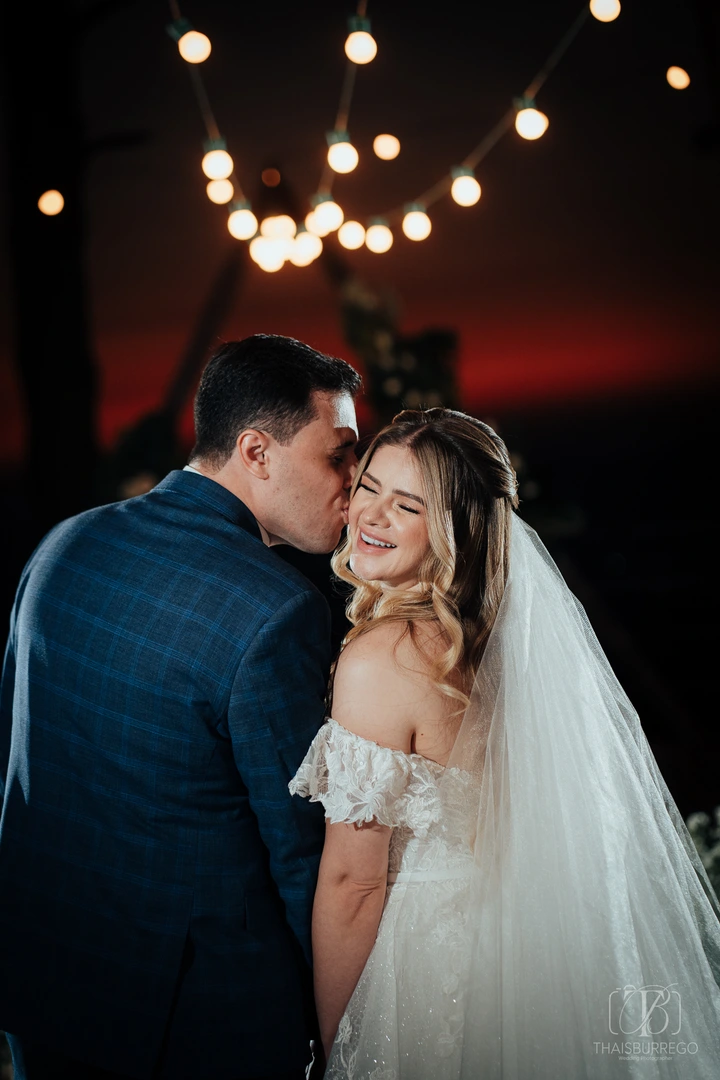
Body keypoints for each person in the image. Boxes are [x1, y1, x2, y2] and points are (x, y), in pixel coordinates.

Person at [290, 408, 720, 1079]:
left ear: (457, 528)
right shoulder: (511, 644)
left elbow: (353, 882)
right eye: (369, 486)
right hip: (532, 952)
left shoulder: (383, 659)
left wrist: (337, 1043)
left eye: (407, 505)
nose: (371, 516)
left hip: (429, 971)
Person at [0, 334, 361, 1080]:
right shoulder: (277, 609)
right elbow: (303, 857)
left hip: (40, 979)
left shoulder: (65, 541)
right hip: (200, 1016)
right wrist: (343, 1034)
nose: (354, 485)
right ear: (256, 451)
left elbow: (20, 758)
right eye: (338, 454)